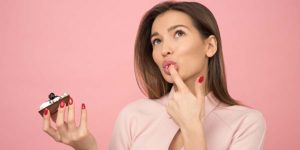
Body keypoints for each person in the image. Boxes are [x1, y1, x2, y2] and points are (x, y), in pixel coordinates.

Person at [42, 1, 266, 150]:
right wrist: (87, 146)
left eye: (178, 33)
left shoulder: (245, 123)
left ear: (210, 46)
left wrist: (192, 128)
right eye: (156, 40)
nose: (164, 49)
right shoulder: (134, 116)